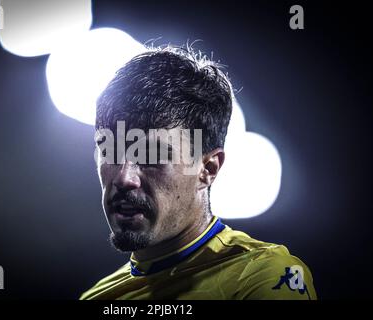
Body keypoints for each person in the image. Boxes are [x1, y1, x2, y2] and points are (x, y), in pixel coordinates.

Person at [80, 46, 317, 300]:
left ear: (207, 169)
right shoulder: (96, 297)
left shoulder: (264, 277)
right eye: (110, 152)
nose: (124, 178)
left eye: (150, 155)